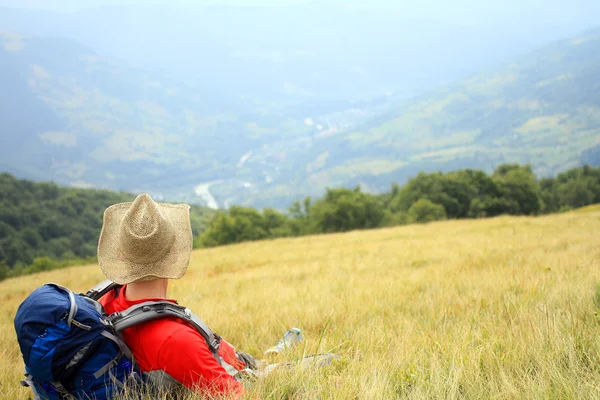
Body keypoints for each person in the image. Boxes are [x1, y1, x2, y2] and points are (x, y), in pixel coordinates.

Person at [97, 193, 253, 398]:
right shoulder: (175, 340)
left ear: (120, 254)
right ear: (174, 254)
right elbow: (239, 396)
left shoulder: (104, 301)